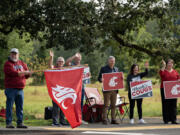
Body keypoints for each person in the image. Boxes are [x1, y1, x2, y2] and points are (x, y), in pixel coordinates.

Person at [4, 48, 32, 128]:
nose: (14, 55)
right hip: (11, 89)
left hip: (20, 89)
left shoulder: (22, 63)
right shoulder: (8, 64)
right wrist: (24, 72)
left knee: (20, 107)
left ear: (18, 55)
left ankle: (20, 123)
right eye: (12, 53)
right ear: (10, 54)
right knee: (9, 106)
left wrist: (29, 73)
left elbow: (26, 76)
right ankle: (9, 123)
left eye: (15, 54)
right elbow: (13, 73)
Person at [65, 52, 88, 125]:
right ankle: (72, 119)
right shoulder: (72, 65)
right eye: (77, 58)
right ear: (75, 59)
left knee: (80, 103)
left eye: (79, 58)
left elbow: (86, 77)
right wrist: (74, 55)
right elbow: (67, 62)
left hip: (81, 87)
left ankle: (79, 119)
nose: (78, 59)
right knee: (73, 103)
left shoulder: (83, 66)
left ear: (81, 59)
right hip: (74, 88)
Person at [49, 50, 69, 126]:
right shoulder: (54, 68)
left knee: (63, 106)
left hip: (63, 91)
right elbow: (50, 65)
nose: (60, 63)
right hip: (55, 90)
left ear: (63, 63)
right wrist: (51, 57)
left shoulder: (65, 69)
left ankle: (62, 121)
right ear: (57, 62)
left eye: (62, 62)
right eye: (59, 61)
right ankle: (55, 121)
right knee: (56, 107)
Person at [98, 56, 119, 125]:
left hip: (114, 90)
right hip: (107, 90)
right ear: (108, 61)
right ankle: (104, 119)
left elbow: (118, 79)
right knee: (106, 105)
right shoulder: (103, 68)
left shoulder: (116, 69)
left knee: (113, 105)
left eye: (113, 61)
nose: (112, 62)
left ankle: (113, 119)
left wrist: (121, 78)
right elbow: (99, 78)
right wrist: (101, 79)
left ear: (115, 61)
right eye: (111, 61)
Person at [159, 59, 179, 124]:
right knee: (165, 104)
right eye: (168, 63)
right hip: (164, 89)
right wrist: (163, 65)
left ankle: (173, 119)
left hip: (173, 90)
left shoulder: (175, 72)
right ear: (166, 64)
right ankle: (166, 119)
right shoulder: (163, 71)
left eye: (171, 63)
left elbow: (178, 78)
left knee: (173, 104)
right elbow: (161, 73)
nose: (170, 64)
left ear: (173, 64)